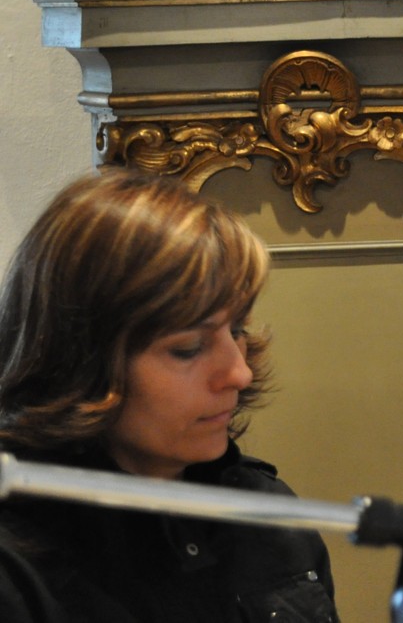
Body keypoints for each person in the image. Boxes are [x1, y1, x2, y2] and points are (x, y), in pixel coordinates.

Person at [0, 169, 340, 622]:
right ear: (80, 361)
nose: (239, 373)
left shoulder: (267, 514)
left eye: (237, 330)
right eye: (188, 348)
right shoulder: (17, 565)